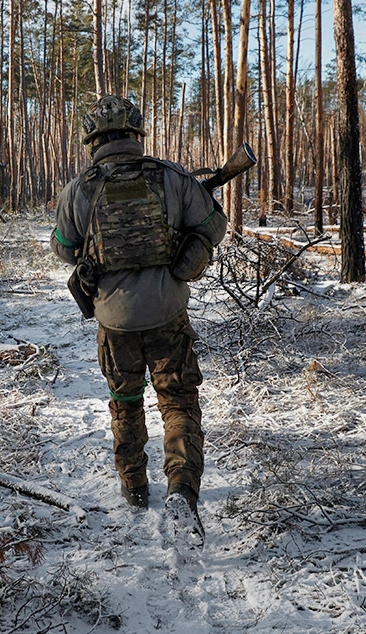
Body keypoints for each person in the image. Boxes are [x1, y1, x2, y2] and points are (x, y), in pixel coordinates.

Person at [51, 95, 227, 531]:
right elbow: (213, 226)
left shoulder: (79, 188)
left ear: (93, 140)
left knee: (126, 402)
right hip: (169, 314)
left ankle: (134, 488)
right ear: (136, 134)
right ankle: (182, 487)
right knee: (178, 402)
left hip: (114, 322)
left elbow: (64, 248)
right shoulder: (171, 176)